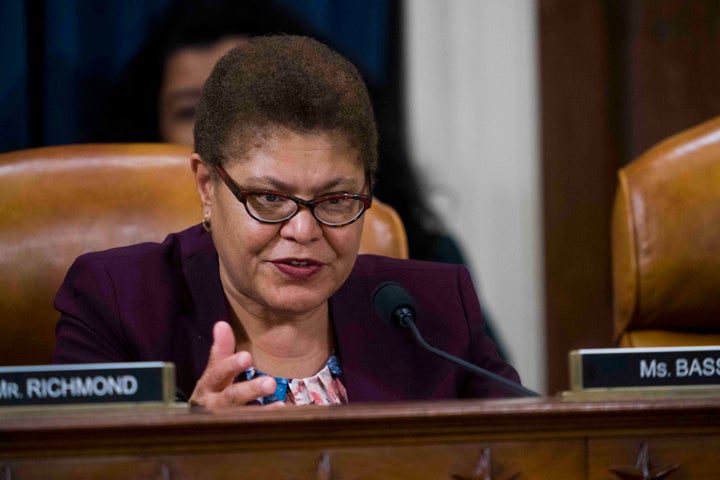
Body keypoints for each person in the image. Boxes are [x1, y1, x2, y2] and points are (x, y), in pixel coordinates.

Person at [53, 35, 521, 409]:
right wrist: (185, 445)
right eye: (270, 198)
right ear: (206, 186)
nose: (303, 231)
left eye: (336, 199)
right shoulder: (116, 302)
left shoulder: (434, 314)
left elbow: (530, 455)